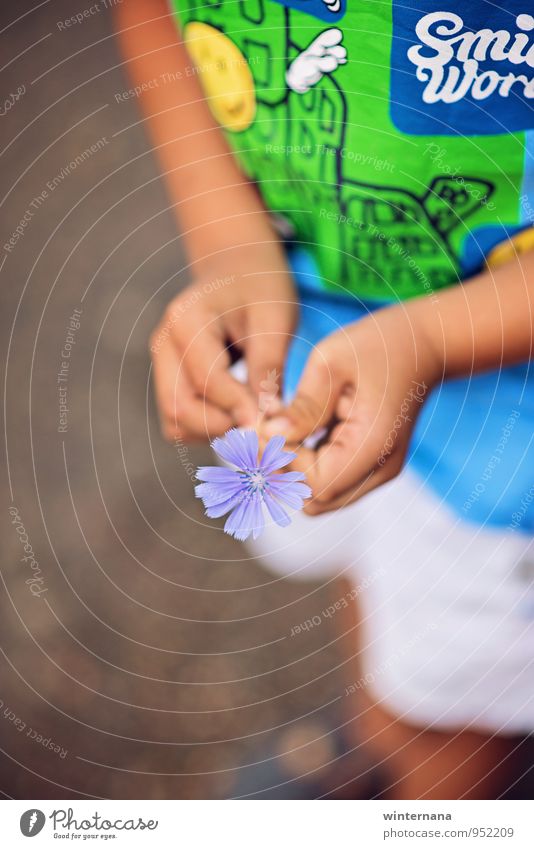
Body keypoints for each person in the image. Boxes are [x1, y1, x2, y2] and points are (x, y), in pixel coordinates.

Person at [115, 0, 534, 798]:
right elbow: (151, 16)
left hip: (504, 445)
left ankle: (428, 763)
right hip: (313, 330)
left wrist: (435, 340)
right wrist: (230, 244)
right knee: (371, 571)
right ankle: (380, 731)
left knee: (449, 709)